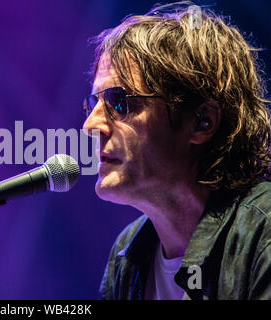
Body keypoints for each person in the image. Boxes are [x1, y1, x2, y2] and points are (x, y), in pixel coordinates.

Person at [83, 2, 271, 300]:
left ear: (201, 122)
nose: (91, 125)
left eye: (120, 102)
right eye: (92, 104)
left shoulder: (263, 232)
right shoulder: (126, 255)